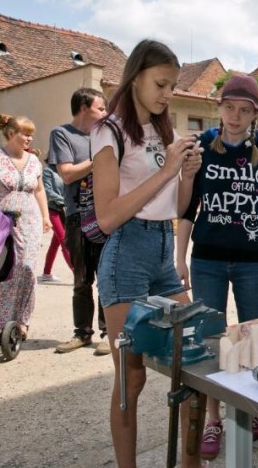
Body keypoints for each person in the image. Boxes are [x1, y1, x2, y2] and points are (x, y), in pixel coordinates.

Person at [91, 39, 202, 467]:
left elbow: (174, 207)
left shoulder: (163, 131)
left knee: (194, 363)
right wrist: (168, 170)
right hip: (125, 254)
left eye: (173, 86)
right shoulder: (109, 131)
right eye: (161, 84)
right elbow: (106, 218)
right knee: (131, 377)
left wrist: (185, 176)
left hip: (161, 247)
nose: (167, 94)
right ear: (135, 76)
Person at [176, 74, 258, 460]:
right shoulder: (202, 145)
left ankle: (254, 408)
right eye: (229, 108)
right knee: (211, 341)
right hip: (206, 259)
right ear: (218, 107)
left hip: (254, 263)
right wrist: (179, 258)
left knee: (255, 340)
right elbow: (186, 208)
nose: (236, 117)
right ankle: (213, 417)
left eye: (245, 110)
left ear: (256, 113)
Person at [0, 115, 52, 340]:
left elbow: (39, 190)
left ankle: (21, 321)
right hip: (0, 219)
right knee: (3, 269)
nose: (29, 138)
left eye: (31, 134)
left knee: (26, 268)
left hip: (30, 220)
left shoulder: (34, 161)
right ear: (10, 134)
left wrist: (45, 216)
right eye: (25, 134)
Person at [48, 87, 110, 356]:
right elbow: (67, 173)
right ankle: (82, 333)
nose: (105, 113)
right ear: (84, 108)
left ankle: (110, 334)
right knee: (82, 278)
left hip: (107, 213)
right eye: (101, 108)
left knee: (108, 277)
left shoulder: (104, 134)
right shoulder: (61, 134)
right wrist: (99, 159)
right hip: (77, 216)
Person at [39, 163, 72, 283]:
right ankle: (77, 273)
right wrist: (65, 201)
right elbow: (48, 191)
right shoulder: (48, 171)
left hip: (64, 211)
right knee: (64, 241)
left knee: (55, 243)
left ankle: (46, 273)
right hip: (52, 210)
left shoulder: (67, 169)